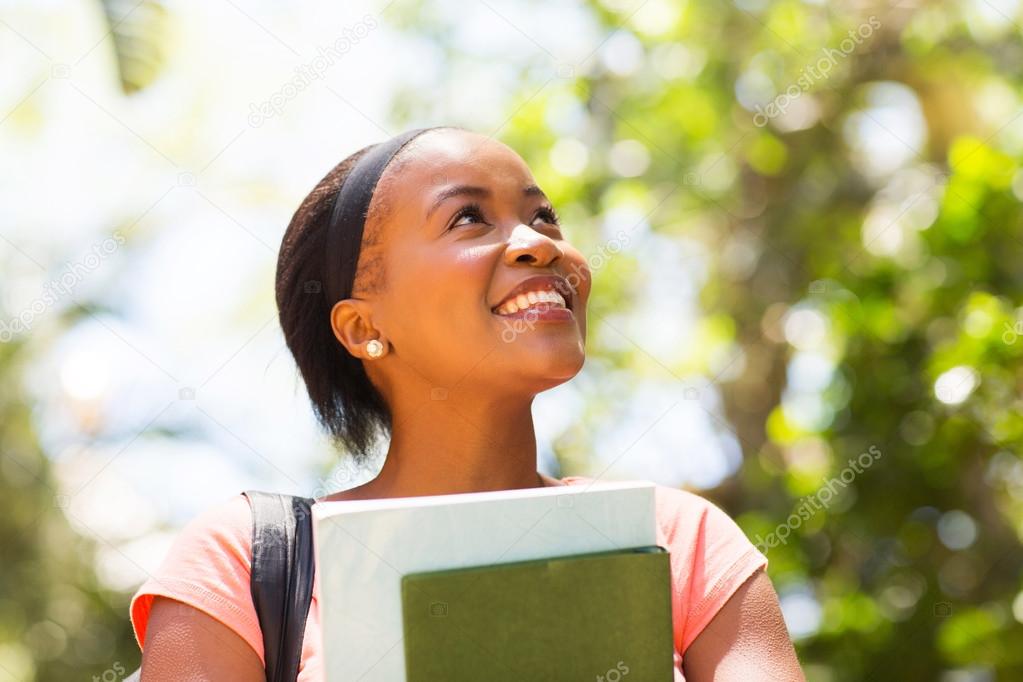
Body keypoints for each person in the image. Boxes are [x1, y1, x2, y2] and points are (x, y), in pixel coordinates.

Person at [130, 126, 806, 680]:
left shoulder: (680, 541)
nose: (541, 244)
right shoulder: (243, 563)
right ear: (365, 328)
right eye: (467, 218)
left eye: (543, 216)